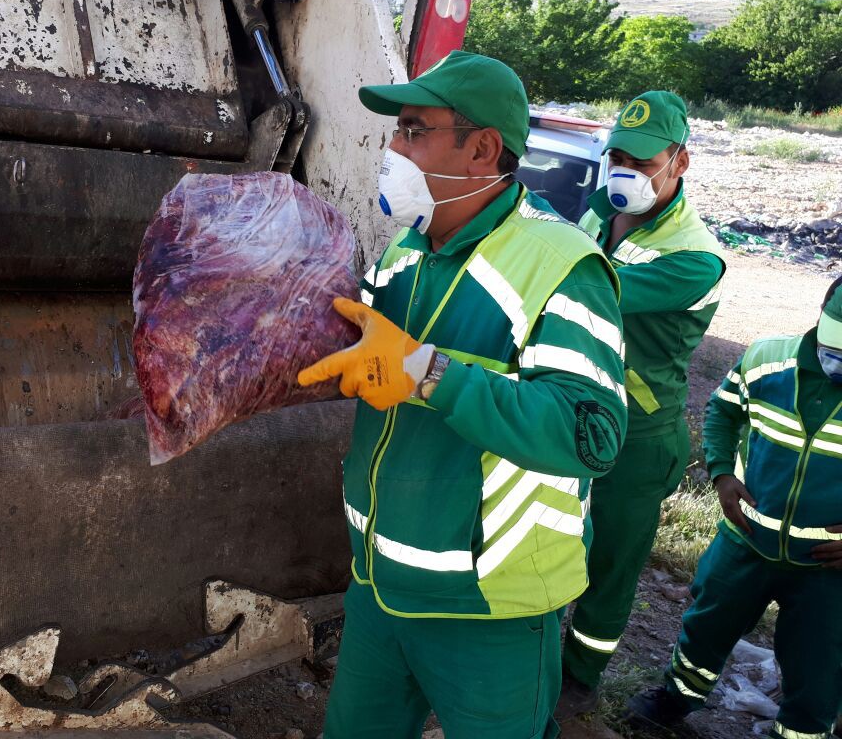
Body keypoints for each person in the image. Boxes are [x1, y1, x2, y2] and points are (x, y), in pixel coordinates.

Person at [296, 50, 628, 739]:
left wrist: (430, 372)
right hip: (380, 587)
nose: (393, 146)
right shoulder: (406, 250)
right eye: (397, 130)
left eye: (414, 130)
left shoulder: (561, 264)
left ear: (481, 149)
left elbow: (588, 434)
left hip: (489, 611)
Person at [558, 91, 726, 717]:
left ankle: (581, 674)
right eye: (617, 156)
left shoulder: (695, 259)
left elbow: (591, 284)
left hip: (639, 433)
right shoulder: (607, 203)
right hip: (579, 407)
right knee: (557, 533)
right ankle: (541, 645)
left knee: (611, 562)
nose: (624, 170)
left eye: (641, 159)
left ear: (679, 162)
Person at [625, 276, 842, 739]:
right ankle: (675, 699)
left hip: (829, 569)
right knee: (706, 625)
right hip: (745, 541)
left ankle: (802, 732)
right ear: (822, 315)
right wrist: (722, 473)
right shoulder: (767, 359)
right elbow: (723, 411)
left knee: (820, 661)